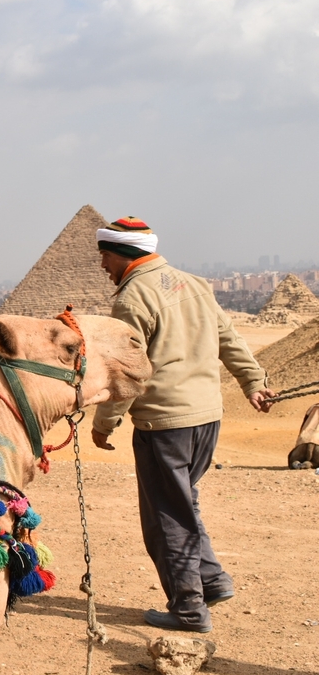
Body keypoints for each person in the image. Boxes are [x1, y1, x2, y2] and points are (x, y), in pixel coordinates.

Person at [91, 216, 275, 634]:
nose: (102, 265)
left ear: (122, 254)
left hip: (165, 423)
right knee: (182, 502)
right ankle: (211, 580)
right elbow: (230, 339)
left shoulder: (133, 299)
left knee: (165, 515)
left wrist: (106, 422)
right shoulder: (194, 283)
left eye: (104, 255)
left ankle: (189, 609)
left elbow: (128, 371)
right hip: (207, 417)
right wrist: (254, 383)